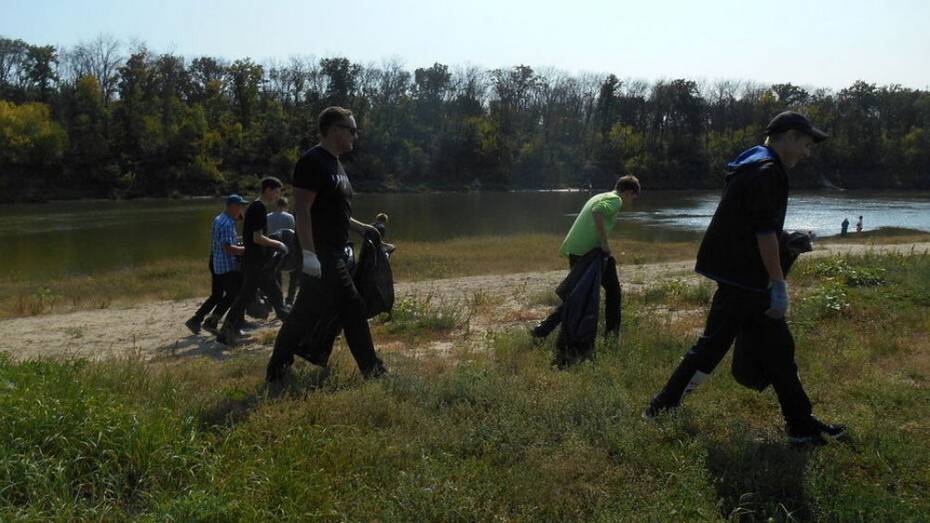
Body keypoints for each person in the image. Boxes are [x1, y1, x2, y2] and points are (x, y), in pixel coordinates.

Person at [643, 111, 846, 446]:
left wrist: (785, 239)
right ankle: (660, 409)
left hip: (744, 278)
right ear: (789, 136)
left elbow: (752, 226)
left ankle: (801, 425)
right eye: (806, 144)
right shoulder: (768, 172)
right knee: (711, 349)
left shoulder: (754, 165)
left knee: (779, 351)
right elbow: (762, 233)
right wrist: (779, 284)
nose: (807, 153)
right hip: (746, 282)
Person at [266, 106, 388, 381]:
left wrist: (361, 228)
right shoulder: (313, 162)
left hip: (337, 249)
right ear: (334, 130)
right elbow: (303, 211)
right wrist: (309, 255)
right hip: (322, 252)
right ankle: (373, 370)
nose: (355, 137)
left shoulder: (336, 164)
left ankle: (277, 368)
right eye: (351, 131)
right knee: (353, 306)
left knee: (303, 312)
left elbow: (337, 213)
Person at [531, 175, 640, 342]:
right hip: (590, 254)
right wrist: (604, 244)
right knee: (612, 293)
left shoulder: (600, 195)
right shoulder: (615, 200)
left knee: (577, 294)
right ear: (628, 192)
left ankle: (542, 329)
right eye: (633, 197)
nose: (632, 201)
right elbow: (597, 211)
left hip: (578, 250)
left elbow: (596, 209)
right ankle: (611, 337)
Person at [217, 177, 289, 345]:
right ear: (268, 190)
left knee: (271, 293)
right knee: (252, 295)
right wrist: (278, 243)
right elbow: (257, 238)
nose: (278, 196)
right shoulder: (258, 208)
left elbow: (253, 236)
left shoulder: (256, 207)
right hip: (255, 262)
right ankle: (226, 332)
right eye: (277, 192)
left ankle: (227, 331)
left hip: (256, 261)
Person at [184, 195, 246, 335]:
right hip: (225, 265)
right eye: (240, 205)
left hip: (216, 261)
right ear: (232, 206)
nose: (241, 208)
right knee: (233, 295)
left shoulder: (219, 218)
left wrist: (238, 241)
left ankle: (196, 320)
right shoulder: (227, 223)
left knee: (217, 295)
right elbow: (228, 248)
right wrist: (246, 250)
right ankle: (212, 323)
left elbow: (222, 241)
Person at [267, 197, 300, 305]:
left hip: (273, 250)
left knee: (276, 275)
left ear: (276, 206)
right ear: (286, 206)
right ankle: (290, 301)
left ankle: (278, 300)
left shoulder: (267, 217)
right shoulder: (290, 217)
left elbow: (266, 234)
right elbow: (293, 234)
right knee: (294, 275)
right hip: (289, 250)